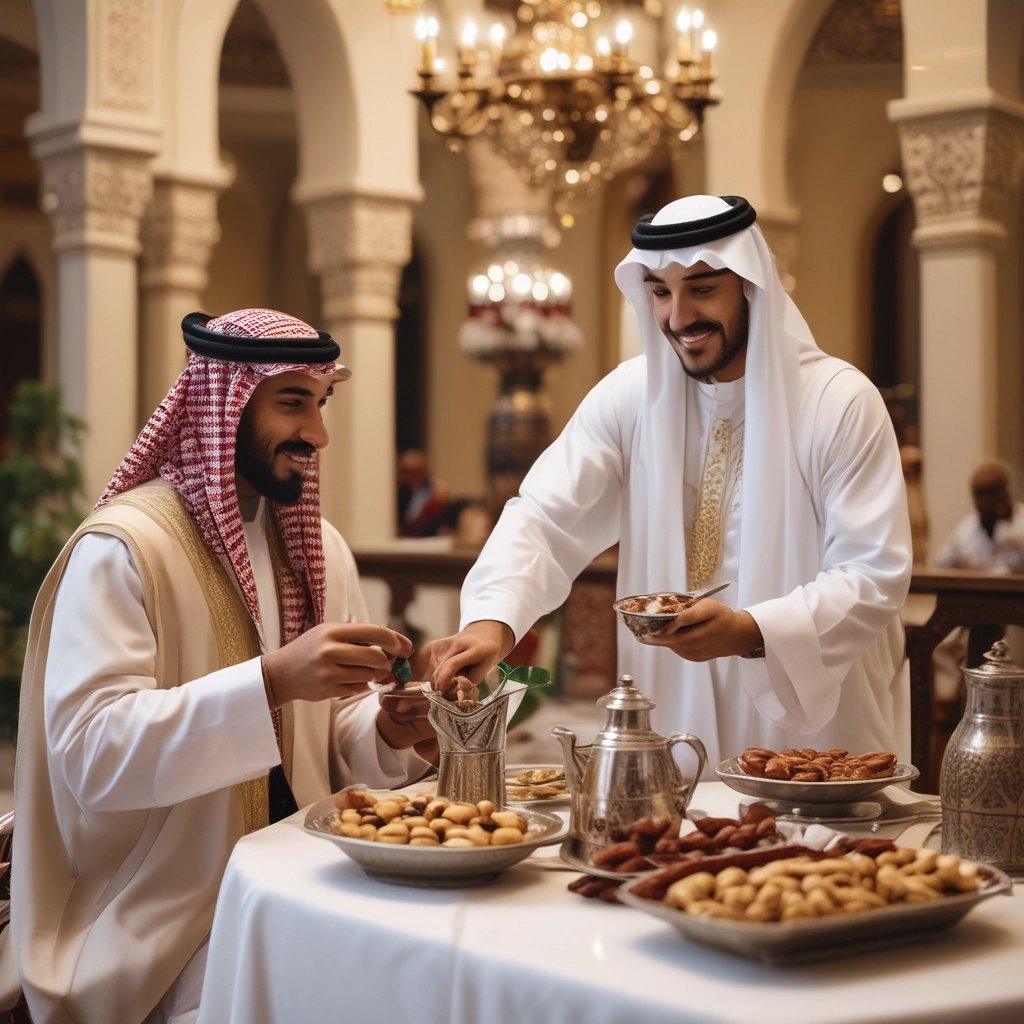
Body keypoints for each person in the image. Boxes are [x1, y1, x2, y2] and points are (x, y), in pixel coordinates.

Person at [6, 309, 440, 1024]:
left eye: (320, 403)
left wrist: (386, 730)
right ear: (225, 403)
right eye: (292, 402)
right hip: (156, 913)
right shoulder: (123, 550)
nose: (317, 435)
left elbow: (328, 733)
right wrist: (270, 681)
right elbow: (90, 756)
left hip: (296, 872)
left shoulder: (318, 548)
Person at [427, 194, 913, 772]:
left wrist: (752, 630)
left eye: (702, 289)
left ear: (750, 287)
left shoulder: (837, 400)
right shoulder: (629, 395)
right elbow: (545, 518)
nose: (678, 317)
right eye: (660, 291)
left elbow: (872, 572)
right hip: (674, 711)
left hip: (811, 720)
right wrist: (492, 622)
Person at [930, 461, 1024, 697]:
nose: (988, 501)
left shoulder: (1022, 523)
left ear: (1006, 491)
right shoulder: (967, 529)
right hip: (979, 612)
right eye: (981, 495)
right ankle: (972, 703)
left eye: (994, 492)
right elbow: (940, 564)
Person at [396, 448, 449, 537]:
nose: (414, 476)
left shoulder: (434, 489)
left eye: (418, 471)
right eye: (409, 472)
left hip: (430, 536)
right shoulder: (400, 493)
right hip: (407, 536)